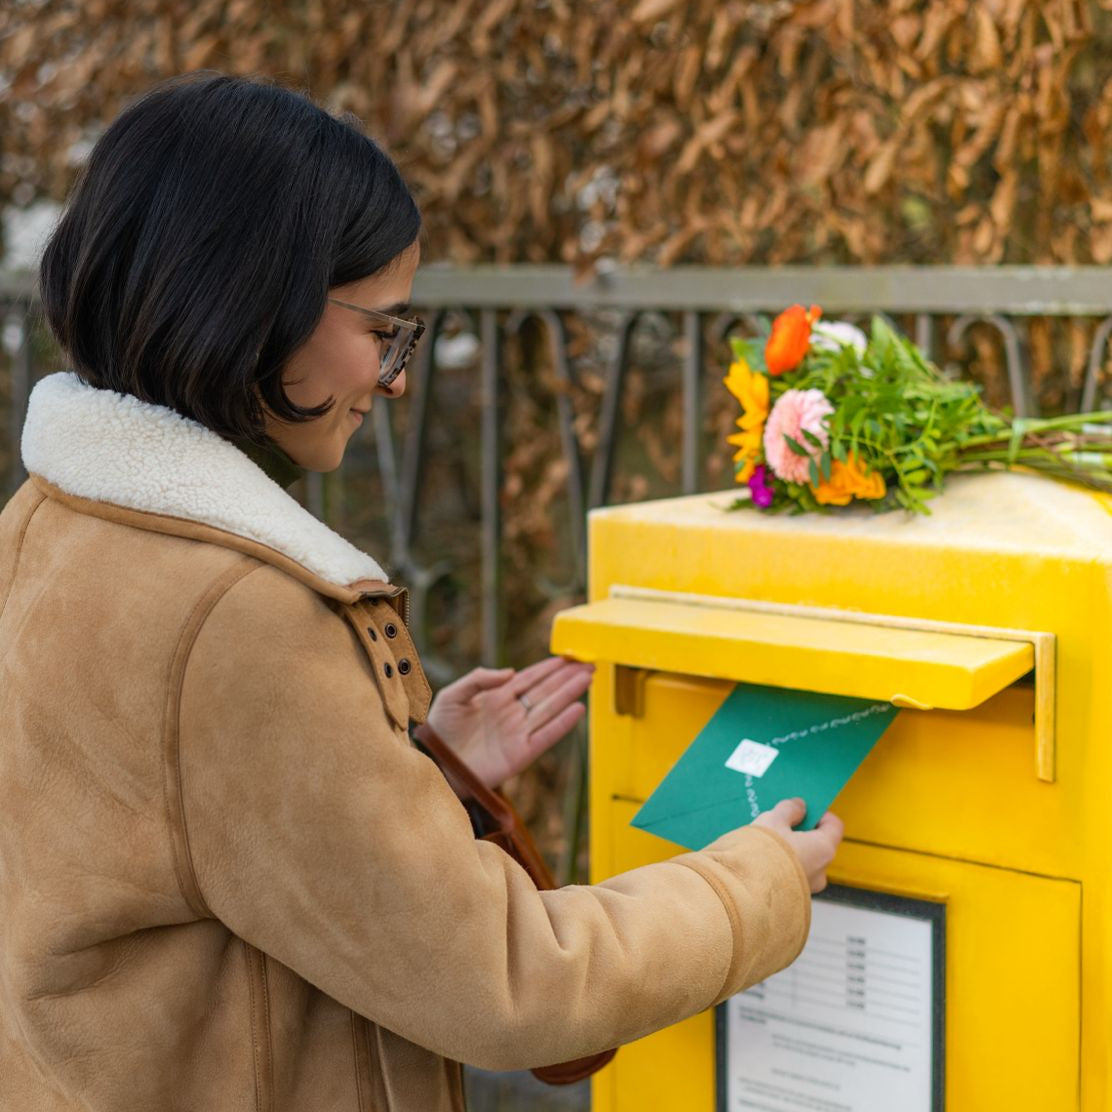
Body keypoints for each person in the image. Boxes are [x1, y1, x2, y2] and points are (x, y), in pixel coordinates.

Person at [0, 72, 843, 1112]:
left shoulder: (48, 522)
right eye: (384, 330)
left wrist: (415, 772)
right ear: (253, 298)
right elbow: (508, 980)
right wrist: (749, 884)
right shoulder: (239, 614)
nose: (396, 379)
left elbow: (182, 837)